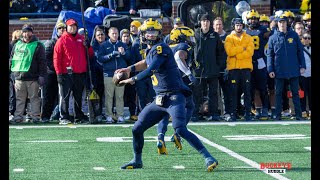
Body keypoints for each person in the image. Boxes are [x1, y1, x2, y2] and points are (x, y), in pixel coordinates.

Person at [117, 18, 218, 172]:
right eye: (148, 32)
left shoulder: (161, 48)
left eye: (154, 32)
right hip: (158, 100)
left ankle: (208, 157)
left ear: (159, 34)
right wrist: (128, 68)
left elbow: (151, 68)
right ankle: (137, 160)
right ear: (143, 34)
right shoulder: (152, 50)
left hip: (174, 97)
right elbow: (145, 62)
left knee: (180, 129)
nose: (151, 35)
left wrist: (130, 79)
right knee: (136, 129)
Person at [156, 26, 197, 154]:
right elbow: (179, 58)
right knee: (189, 106)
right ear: (182, 37)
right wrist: (189, 73)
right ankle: (177, 133)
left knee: (164, 111)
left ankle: (160, 137)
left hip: (163, 83)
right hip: (177, 83)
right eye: (188, 36)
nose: (191, 39)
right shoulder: (183, 47)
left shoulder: (167, 47)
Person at [266, 15, 306, 120]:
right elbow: (269, 55)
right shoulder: (272, 38)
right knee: (278, 93)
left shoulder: (294, 35)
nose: (282, 24)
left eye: (284, 22)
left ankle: (298, 115)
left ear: (286, 23)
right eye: (280, 22)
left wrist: (303, 66)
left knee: (295, 93)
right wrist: (270, 69)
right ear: (277, 24)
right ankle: (277, 115)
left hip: (293, 69)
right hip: (279, 70)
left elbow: (300, 52)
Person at [53, 18, 89, 125]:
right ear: (67, 27)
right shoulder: (61, 40)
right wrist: (59, 73)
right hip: (66, 73)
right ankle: (64, 116)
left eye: (74, 26)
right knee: (65, 96)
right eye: (70, 26)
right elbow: (56, 58)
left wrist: (88, 46)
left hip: (80, 73)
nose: (72, 28)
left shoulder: (82, 39)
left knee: (78, 97)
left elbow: (89, 55)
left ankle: (78, 116)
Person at [9, 23, 47, 124]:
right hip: (18, 77)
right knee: (19, 99)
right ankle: (18, 117)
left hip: (32, 77)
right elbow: (12, 59)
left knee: (34, 98)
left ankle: (35, 117)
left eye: (28, 31)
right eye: (24, 32)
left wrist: (42, 75)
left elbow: (42, 62)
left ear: (32, 32)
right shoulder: (17, 44)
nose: (26, 34)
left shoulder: (38, 45)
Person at [192, 14, 225, 121]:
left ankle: (214, 113)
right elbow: (190, 52)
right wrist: (193, 66)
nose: (205, 23)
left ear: (210, 23)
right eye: (203, 21)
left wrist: (218, 66)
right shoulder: (195, 35)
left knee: (213, 94)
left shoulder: (215, 36)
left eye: (207, 21)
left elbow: (221, 52)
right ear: (200, 23)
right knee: (197, 94)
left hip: (212, 70)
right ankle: (196, 113)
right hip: (198, 71)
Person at [97, 27, 130, 124]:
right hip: (109, 73)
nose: (115, 35)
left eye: (116, 33)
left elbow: (129, 57)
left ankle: (120, 115)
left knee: (120, 96)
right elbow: (100, 58)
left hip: (120, 74)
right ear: (108, 34)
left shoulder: (122, 44)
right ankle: (109, 115)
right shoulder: (104, 45)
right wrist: (111, 55)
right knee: (109, 96)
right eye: (113, 33)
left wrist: (123, 53)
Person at [224, 18, 254, 121]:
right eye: (237, 25)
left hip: (245, 69)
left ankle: (247, 113)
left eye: (240, 25)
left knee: (247, 92)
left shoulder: (249, 37)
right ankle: (233, 113)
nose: (239, 27)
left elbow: (250, 52)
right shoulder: (229, 38)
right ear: (234, 26)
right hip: (234, 69)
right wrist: (242, 48)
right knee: (233, 92)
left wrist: (237, 55)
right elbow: (229, 52)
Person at [245, 9, 270, 120]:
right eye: (251, 19)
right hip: (248, 62)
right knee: (251, 88)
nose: (253, 21)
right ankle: (255, 109)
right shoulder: (245, 31)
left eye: (255, 18)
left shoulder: (263, 30)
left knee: (262, 87)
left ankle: (265, 109)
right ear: (247, 20)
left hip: (260, 61)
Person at [40, 21, 66, 123]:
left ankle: (59, 115)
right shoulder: (51, 42)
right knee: (49, 96)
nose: (62, 30)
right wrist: (57, 69)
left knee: (63, 97)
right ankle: (45, 116)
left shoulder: (67, 42)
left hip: (63, 73)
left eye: (64, 28)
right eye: (60, 28)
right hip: (51, 73)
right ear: (56, 30)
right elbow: (46, 59)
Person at [213, 17, 232, 121]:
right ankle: (215, 113)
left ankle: (227, 112)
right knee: (214, 93)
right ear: (213, 26)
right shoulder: (211, 36)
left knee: (226, 92)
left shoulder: (228, 37)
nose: (218, 26)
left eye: (219, 24)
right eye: (216, 25)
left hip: (225, 68)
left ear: (222, 25)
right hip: (214, 69)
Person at [120, 28, 138, 121]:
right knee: (120, 95)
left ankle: (132, 113)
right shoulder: (117, 46)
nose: (126, 38)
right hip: (120, 75)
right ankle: (119, 114)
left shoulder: (133, 47)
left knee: (131, 95)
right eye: (124, 36)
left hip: (130, 74)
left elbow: (133, 60)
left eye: (127, 36)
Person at [90, 25, 107, 122]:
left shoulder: (109, 45)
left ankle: (108, 113)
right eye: (98, 35)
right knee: (98, 95)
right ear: (95, 36)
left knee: (109, 96)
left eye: (102, 34)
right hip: (97, 74)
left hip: (108, 73)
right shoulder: (92, 47)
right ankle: (98, 113)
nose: (100, 36)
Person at [299, 32, 311, 119]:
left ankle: (310, 110)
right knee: (302, 94)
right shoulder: (299, 49)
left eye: (308, 38)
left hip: (310, 74)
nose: (307, 40)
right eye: (305, 38)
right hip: (302, 74)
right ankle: (303, 110)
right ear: (302, 39)